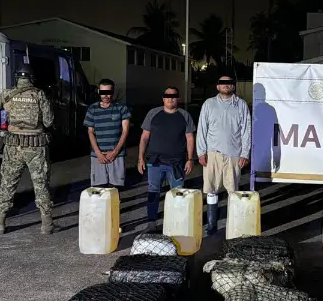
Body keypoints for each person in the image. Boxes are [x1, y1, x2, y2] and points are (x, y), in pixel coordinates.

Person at [0, 61, 54, 235]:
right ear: (32, 78)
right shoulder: (39, 94)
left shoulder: (8, 94)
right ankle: (46, 225)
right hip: (35, 148)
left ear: (17, 77)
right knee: (41, 185)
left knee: (7, 184)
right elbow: (49, 121)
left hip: (13, 148)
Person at [196, 76, 252, 236]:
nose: (225, 85)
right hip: (212, 154)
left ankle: (233, 225)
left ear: (233, 86)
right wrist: (201, 152)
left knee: (233, 192)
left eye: (229, 83)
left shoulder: (241, 105)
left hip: (233, 155)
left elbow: (246, 130)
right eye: (222, 83)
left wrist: (245, 153)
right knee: (211, 190)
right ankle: (211, 224)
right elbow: (202, 128)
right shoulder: (209, 104)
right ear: (217, 86)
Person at [138, 86, 196, 232]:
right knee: (153, 192)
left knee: (178, 194)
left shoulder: (185, 115)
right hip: (155, 162)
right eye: (167, 96)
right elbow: (144, 137)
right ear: (163, 98)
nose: (170, 99)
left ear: (178, 99)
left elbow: (190, 138)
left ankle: (176, 225)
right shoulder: (153, 114)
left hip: (177, 163)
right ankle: (151, 223)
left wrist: (190, 159)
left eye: (173, 96)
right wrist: (140, 158)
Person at [83, 79, 131, 189]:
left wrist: (115, 152)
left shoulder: (122, 109)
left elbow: (125, 131)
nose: (106, 96)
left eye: (108, 92)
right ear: (98, 91)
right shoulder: (92, 109)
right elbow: (90, 132)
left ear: (113, 92)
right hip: (97, 156)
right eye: (103, 92)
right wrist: (98, 153)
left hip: (117, 156)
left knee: (115, 189)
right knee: (98, 189)